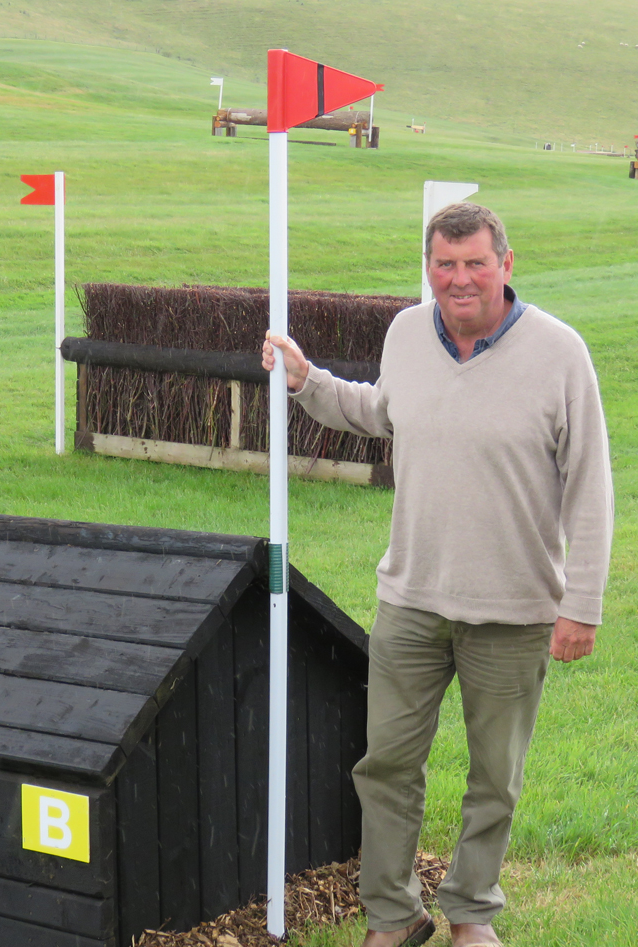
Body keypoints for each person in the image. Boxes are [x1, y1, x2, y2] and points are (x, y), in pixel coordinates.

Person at [262, 203, 614, 947]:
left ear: (506, 265)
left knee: (494, 776)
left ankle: (471, 910)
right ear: (429, 267)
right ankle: (392, 916)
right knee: (386, 763)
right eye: (445, 264)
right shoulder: (405, 334)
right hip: (411, 600)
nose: (459, 278)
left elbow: (590, 485)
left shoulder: (560, 353)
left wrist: (580, 602)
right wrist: (307, 380)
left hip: (514, 609)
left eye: (475, 262)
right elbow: (382, 412)